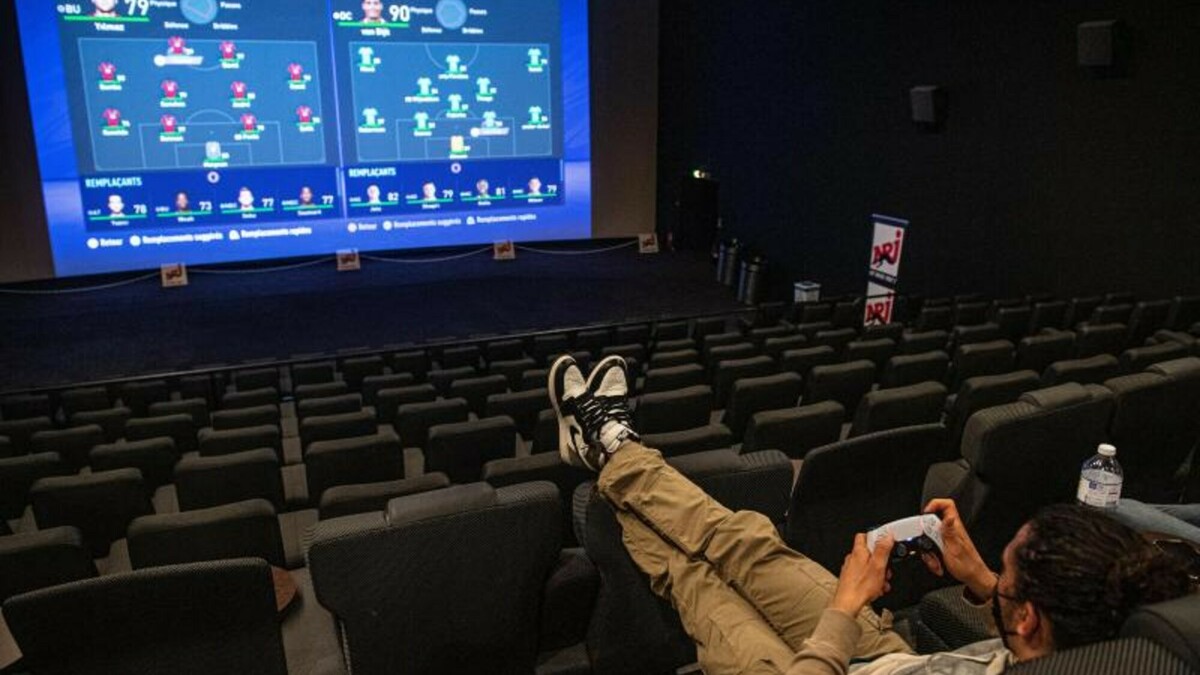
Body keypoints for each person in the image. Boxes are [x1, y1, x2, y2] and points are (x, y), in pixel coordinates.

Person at [546, 355, 1195, 675]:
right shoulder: (1097, 647)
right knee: (747, 538)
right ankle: (614, 448)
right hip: (886, 654)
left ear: (1027, 617)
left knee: (701, 582)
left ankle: (606, 455)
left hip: (824, 663)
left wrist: (845, 608)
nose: (995, 577)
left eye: (1007, 575)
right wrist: (977, 578)